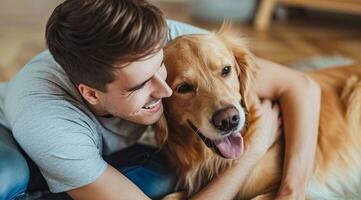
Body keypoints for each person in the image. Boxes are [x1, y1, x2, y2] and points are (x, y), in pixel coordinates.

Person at [0, 0, 321, 199]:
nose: (166, 89)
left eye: (162, 71)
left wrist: (292, 191)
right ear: (91, 93)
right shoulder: (49, 125)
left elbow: (301, 86)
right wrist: (252, 153)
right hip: (16, 140)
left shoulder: (161, 40)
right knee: (8, 179)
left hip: (93, 147)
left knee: (168, 177)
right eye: (140, 85)